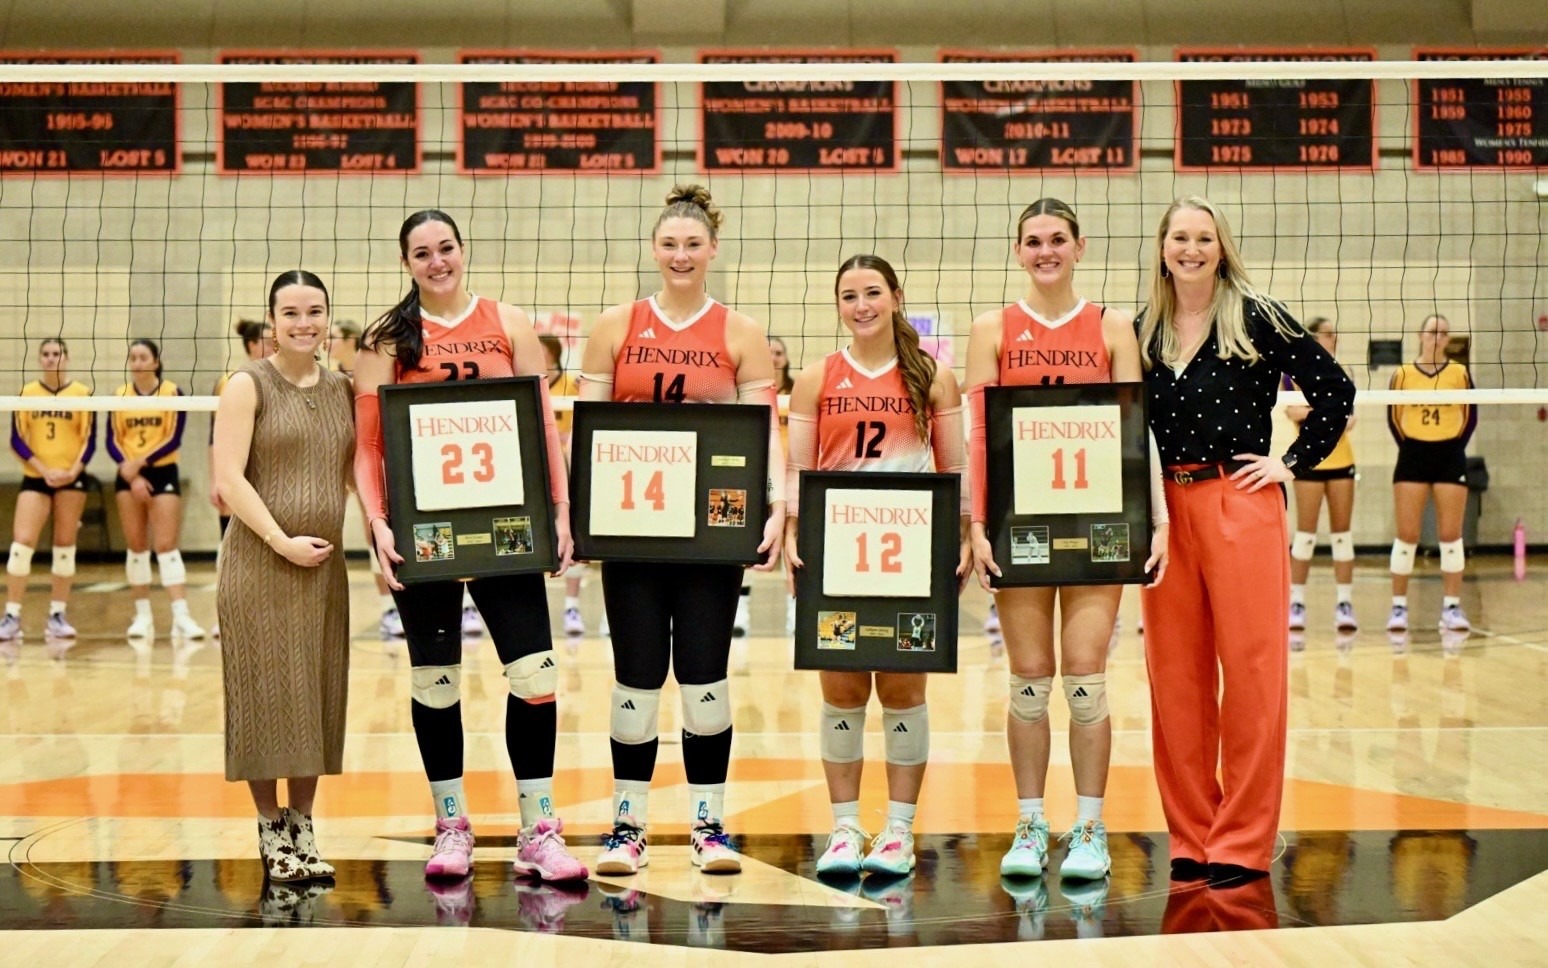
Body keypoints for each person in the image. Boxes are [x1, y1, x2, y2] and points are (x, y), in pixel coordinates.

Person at [353, 209, 586, 882]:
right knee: (435, 679)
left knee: (535, 673)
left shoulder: (509, 324)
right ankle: (450, 825)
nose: (437, 261)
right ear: (407, 264)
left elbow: (544, 425)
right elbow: (368, 444)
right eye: (422, 253)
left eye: (445, 247)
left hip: (506, 527)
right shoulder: (386, 339)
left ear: (463, 251)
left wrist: (561, 511)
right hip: (425, 531)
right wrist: (375, 519)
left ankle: (539, 828)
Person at [1138, 195, 1354, 885]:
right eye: (1180, 237)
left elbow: (1336, 390)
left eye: (1204, 237)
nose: (1191, 248)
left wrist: (1289, 462)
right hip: (1165, 510)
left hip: (1241, 501)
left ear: (1221, 247)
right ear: (1163, 247)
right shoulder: (1143, 328)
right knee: (1175, 679)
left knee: (1254, 676)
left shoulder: (1258, 315)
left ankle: (1243, 839)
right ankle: (1192, 833)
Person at [578, 184, 785, 875]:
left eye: (693, 244)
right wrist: (579, 521)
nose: (681, 254)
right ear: (653, 249)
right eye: (669, 244)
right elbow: (587, 434)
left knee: (705, 681)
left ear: (713, 250)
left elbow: (765, 435)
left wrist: (776, 504)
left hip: (708, 537)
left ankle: (709, 825)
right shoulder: (614, 327)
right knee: (635, 681)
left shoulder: (741, 333)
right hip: (633, 533)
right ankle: (627, 826)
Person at [964, 198, 1166, 884]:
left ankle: (1089, 825)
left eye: (1057, 239)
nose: (1045, 250)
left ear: (1081, 247)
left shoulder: (1111, 326)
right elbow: (975, 438)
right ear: (1017, 251)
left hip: (1096, 526)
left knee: (1085, 679)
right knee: (1028, 683)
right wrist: (975, 526)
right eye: (1033, 241)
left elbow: (1137, 434)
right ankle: (1029, 822)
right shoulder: (992, 328)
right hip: (1021, 527)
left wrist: (1157, 523)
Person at [785, 254, 969, 878]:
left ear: (894, 296)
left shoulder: (933, 378)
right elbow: (798, 473)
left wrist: (966, 533)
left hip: (910, 558)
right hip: (837, 557)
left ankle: (896, 831)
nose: (861, 305)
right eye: (848, 296)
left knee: (902, 691)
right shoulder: (815, 379)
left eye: (871, 293)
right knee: (839, 692)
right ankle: (843, 829)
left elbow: (955, 473)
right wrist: (788, 531)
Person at [213, 270, 354, 882]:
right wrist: (280, 541)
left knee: (316, 699)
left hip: (323, 570)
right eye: (291, 313)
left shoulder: (344, 388)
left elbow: (355, 473)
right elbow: (228, 480)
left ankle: (303, 826)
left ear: (328, 317)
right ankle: (272, 829)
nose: (304, 323)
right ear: (271, 321)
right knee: (267, 700)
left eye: (315, 311)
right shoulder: (246, 385)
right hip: (259, 567)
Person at [108, 338, 204, 641]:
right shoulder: (120, 395)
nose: (137, 362)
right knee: (136, 547)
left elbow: (174, 437)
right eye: (132, 357)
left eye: (142, 357)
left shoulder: (172, 392)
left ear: (155, 362)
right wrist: (132, 474)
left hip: (162, 470)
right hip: (128, 474)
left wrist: (142, 464)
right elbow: (113, 439)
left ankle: (181, 616)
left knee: (166, 545)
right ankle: (143, 616)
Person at [1387, 314, 1475, 633]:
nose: (1436, 338)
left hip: (1450, 454)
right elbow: (1394, 418)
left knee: (1451, 536)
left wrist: (1451, 445)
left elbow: (1470, 417)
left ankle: (1451, 608)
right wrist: (1414, 445)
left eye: (1442, 333)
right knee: (1407, 535)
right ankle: (1398, 608)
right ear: (1420, 336)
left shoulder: (1459, 373)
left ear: (1448, 340)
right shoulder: (1403, 374)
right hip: (1413, 453)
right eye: (1431, 332)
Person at [3, 339, 95, 641]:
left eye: (57, 353)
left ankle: (57, 614)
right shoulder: (27, 393)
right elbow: (17, 439)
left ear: (66, 358)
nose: (51, 358)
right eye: (46, 354)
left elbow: (89, 441)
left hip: (72, 477)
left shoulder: (81, 393)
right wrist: (44, 470)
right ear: (39, 359)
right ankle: (11, 616)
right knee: (22, 544)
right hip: (37, 476)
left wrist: (70, 472)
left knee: (64, 546)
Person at [1284, 317, 1358, 633]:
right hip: (1308, 464)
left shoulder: (1343, 372)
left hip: (1342, 461)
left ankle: (1344, 603)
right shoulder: (1292, 375)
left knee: (1342, 536)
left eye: (1335, 332)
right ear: (1315, 338)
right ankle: (1296, 602)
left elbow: (1349, 419)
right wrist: (1327, 411)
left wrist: (1316, 412)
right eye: (1328, 333)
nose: (1334, 337)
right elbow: (1293, 412)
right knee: (1305, 535)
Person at [209, 319, 272, 640]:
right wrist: (215, 480)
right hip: (235, 473)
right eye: (265, 339)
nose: (272, 342)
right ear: (250, 345)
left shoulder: (278, 377)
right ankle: (226, 613)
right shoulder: (231, 382)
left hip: (265, 477)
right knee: (231, 545)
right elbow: (214, 439)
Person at [540, 333, 591, 639]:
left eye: (543, 352)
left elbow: (581, 423)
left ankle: (571, 605)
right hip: (536, 468)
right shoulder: (529, 382)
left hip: (567, 467)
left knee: (573, 534)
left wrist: (563, 442)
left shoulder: (571, 385)